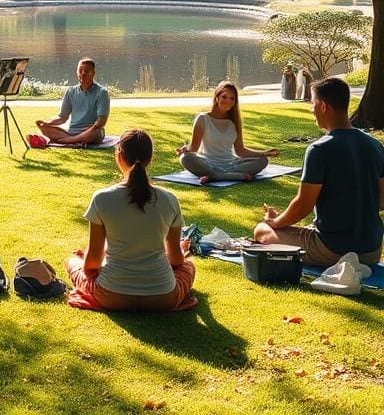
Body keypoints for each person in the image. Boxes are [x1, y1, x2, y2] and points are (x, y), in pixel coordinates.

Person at [253, 77, 384, 267]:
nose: (311, 109)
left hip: (333, 251)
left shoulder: (319, 149)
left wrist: (274, 222)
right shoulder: (375, 145)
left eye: (312, 103)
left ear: (323, 106)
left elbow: (302, 206)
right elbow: (381, 199)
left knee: (261, 230)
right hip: (371, 250)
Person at [65, 129, 196, 311]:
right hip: (162, 297)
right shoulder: (169, 199)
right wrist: (179, 251)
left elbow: (92, 262)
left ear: (118, 156)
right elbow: (175, 261)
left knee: (73, 260)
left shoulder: (101, 198)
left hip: (111, 295)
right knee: (188, 266)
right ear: (150, 159)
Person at [177, 80, 279, 183]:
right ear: (217, 97)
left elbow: (240, 150)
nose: (228, 101)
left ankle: (215, 176)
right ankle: (236, 176)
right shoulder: (203, 119)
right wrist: (186, 148)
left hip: (231, 163)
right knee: (185, 158)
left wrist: (264, 153)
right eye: (224, 97)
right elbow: (194, 147)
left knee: (263, 161)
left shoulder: (234, 121)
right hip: (206, 163)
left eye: (232, 99)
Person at [33, 58, 109, 145]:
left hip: (90, 132)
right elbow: (62, 117)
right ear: (77, 72)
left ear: (93, 73)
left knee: (97, 132)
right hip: (71, 132)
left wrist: (93, 127)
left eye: (86, 71)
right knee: (45, 128)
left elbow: (101, 121)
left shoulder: (102, 93)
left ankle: (69, 141)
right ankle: (75, 140)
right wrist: (46, 123)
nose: (83, 73)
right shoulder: (70, 91)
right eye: (80, 71)